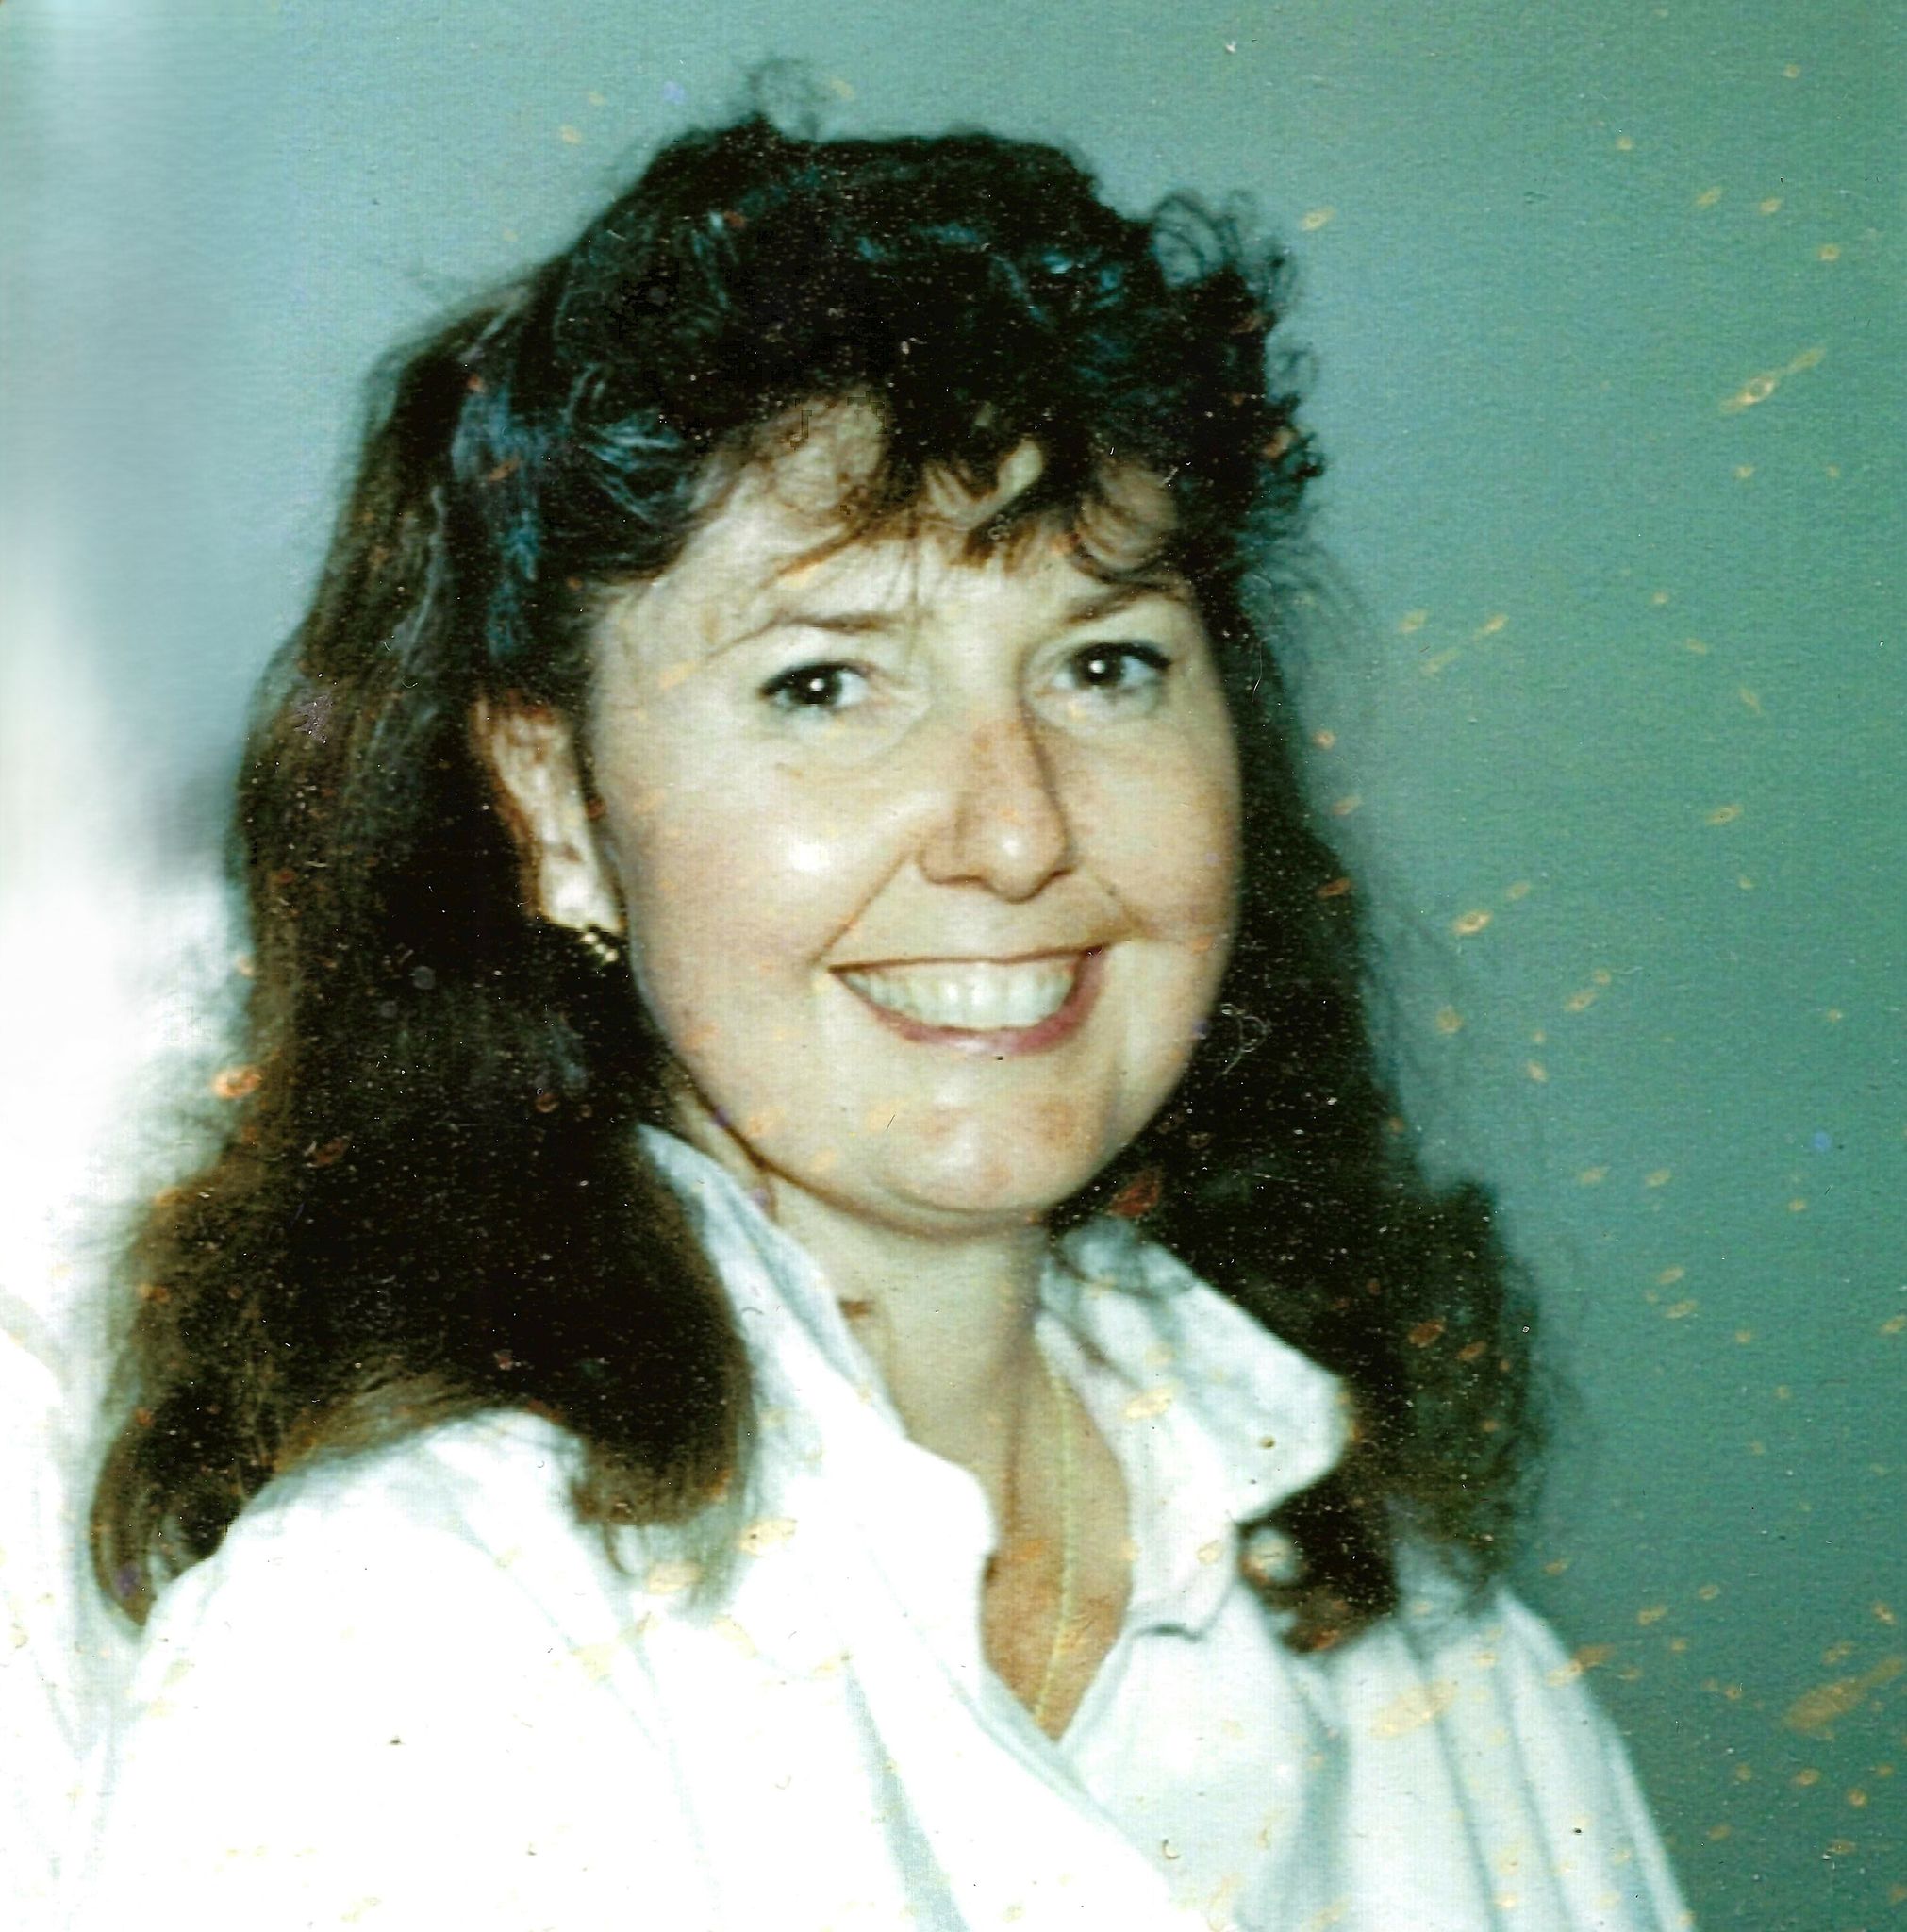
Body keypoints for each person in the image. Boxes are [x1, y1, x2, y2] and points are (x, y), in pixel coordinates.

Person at [71, 115, 1688, 1929]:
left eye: (1102, 664)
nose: (1015, 831)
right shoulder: (399, 1647)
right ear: (556, 808)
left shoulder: (1432, 1653)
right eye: (826, 683)